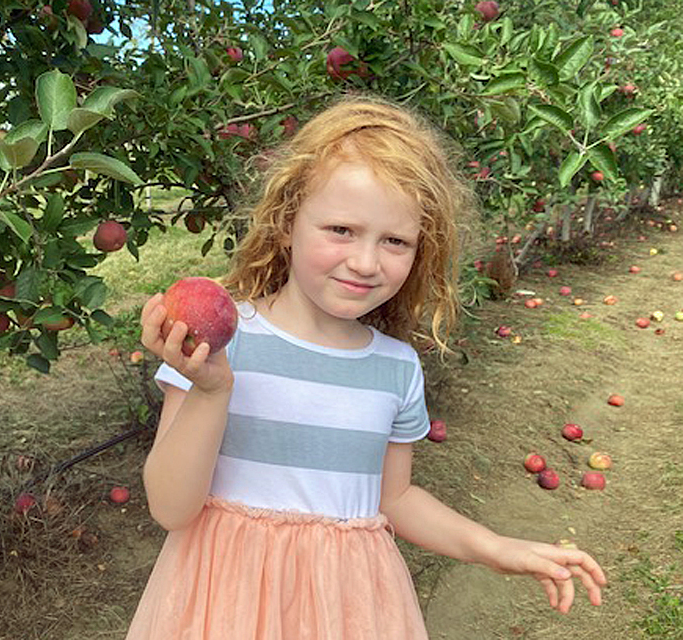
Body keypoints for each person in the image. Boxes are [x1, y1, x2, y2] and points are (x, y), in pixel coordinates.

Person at [126, 96, 607, 639]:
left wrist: (494, 548)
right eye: (341, 230)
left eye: (395, 241)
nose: (365, 262)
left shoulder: (395, 368)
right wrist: (212, 392)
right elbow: (170, 507)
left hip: (347, 609)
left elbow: (395, 498)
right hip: (224, 605)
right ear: (287, 223)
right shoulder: (217, 347)